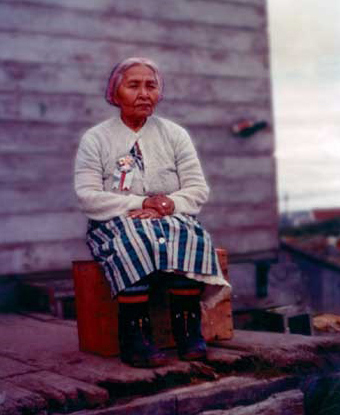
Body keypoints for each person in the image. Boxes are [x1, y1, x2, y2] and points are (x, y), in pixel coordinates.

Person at [74, 57, 230, 368]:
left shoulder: (175, 135)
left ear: (159, 93)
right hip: (115, 222)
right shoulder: (96, 138)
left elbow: (198, 189)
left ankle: (188, 332)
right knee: (135, 237)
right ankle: (136, 338)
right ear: (114, 93)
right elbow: (88, 197)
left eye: (151, 85)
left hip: (170, 218)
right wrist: (139, 204)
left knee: (193, 236)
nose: (144, 93)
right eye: (133, 85)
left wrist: (167, 205)